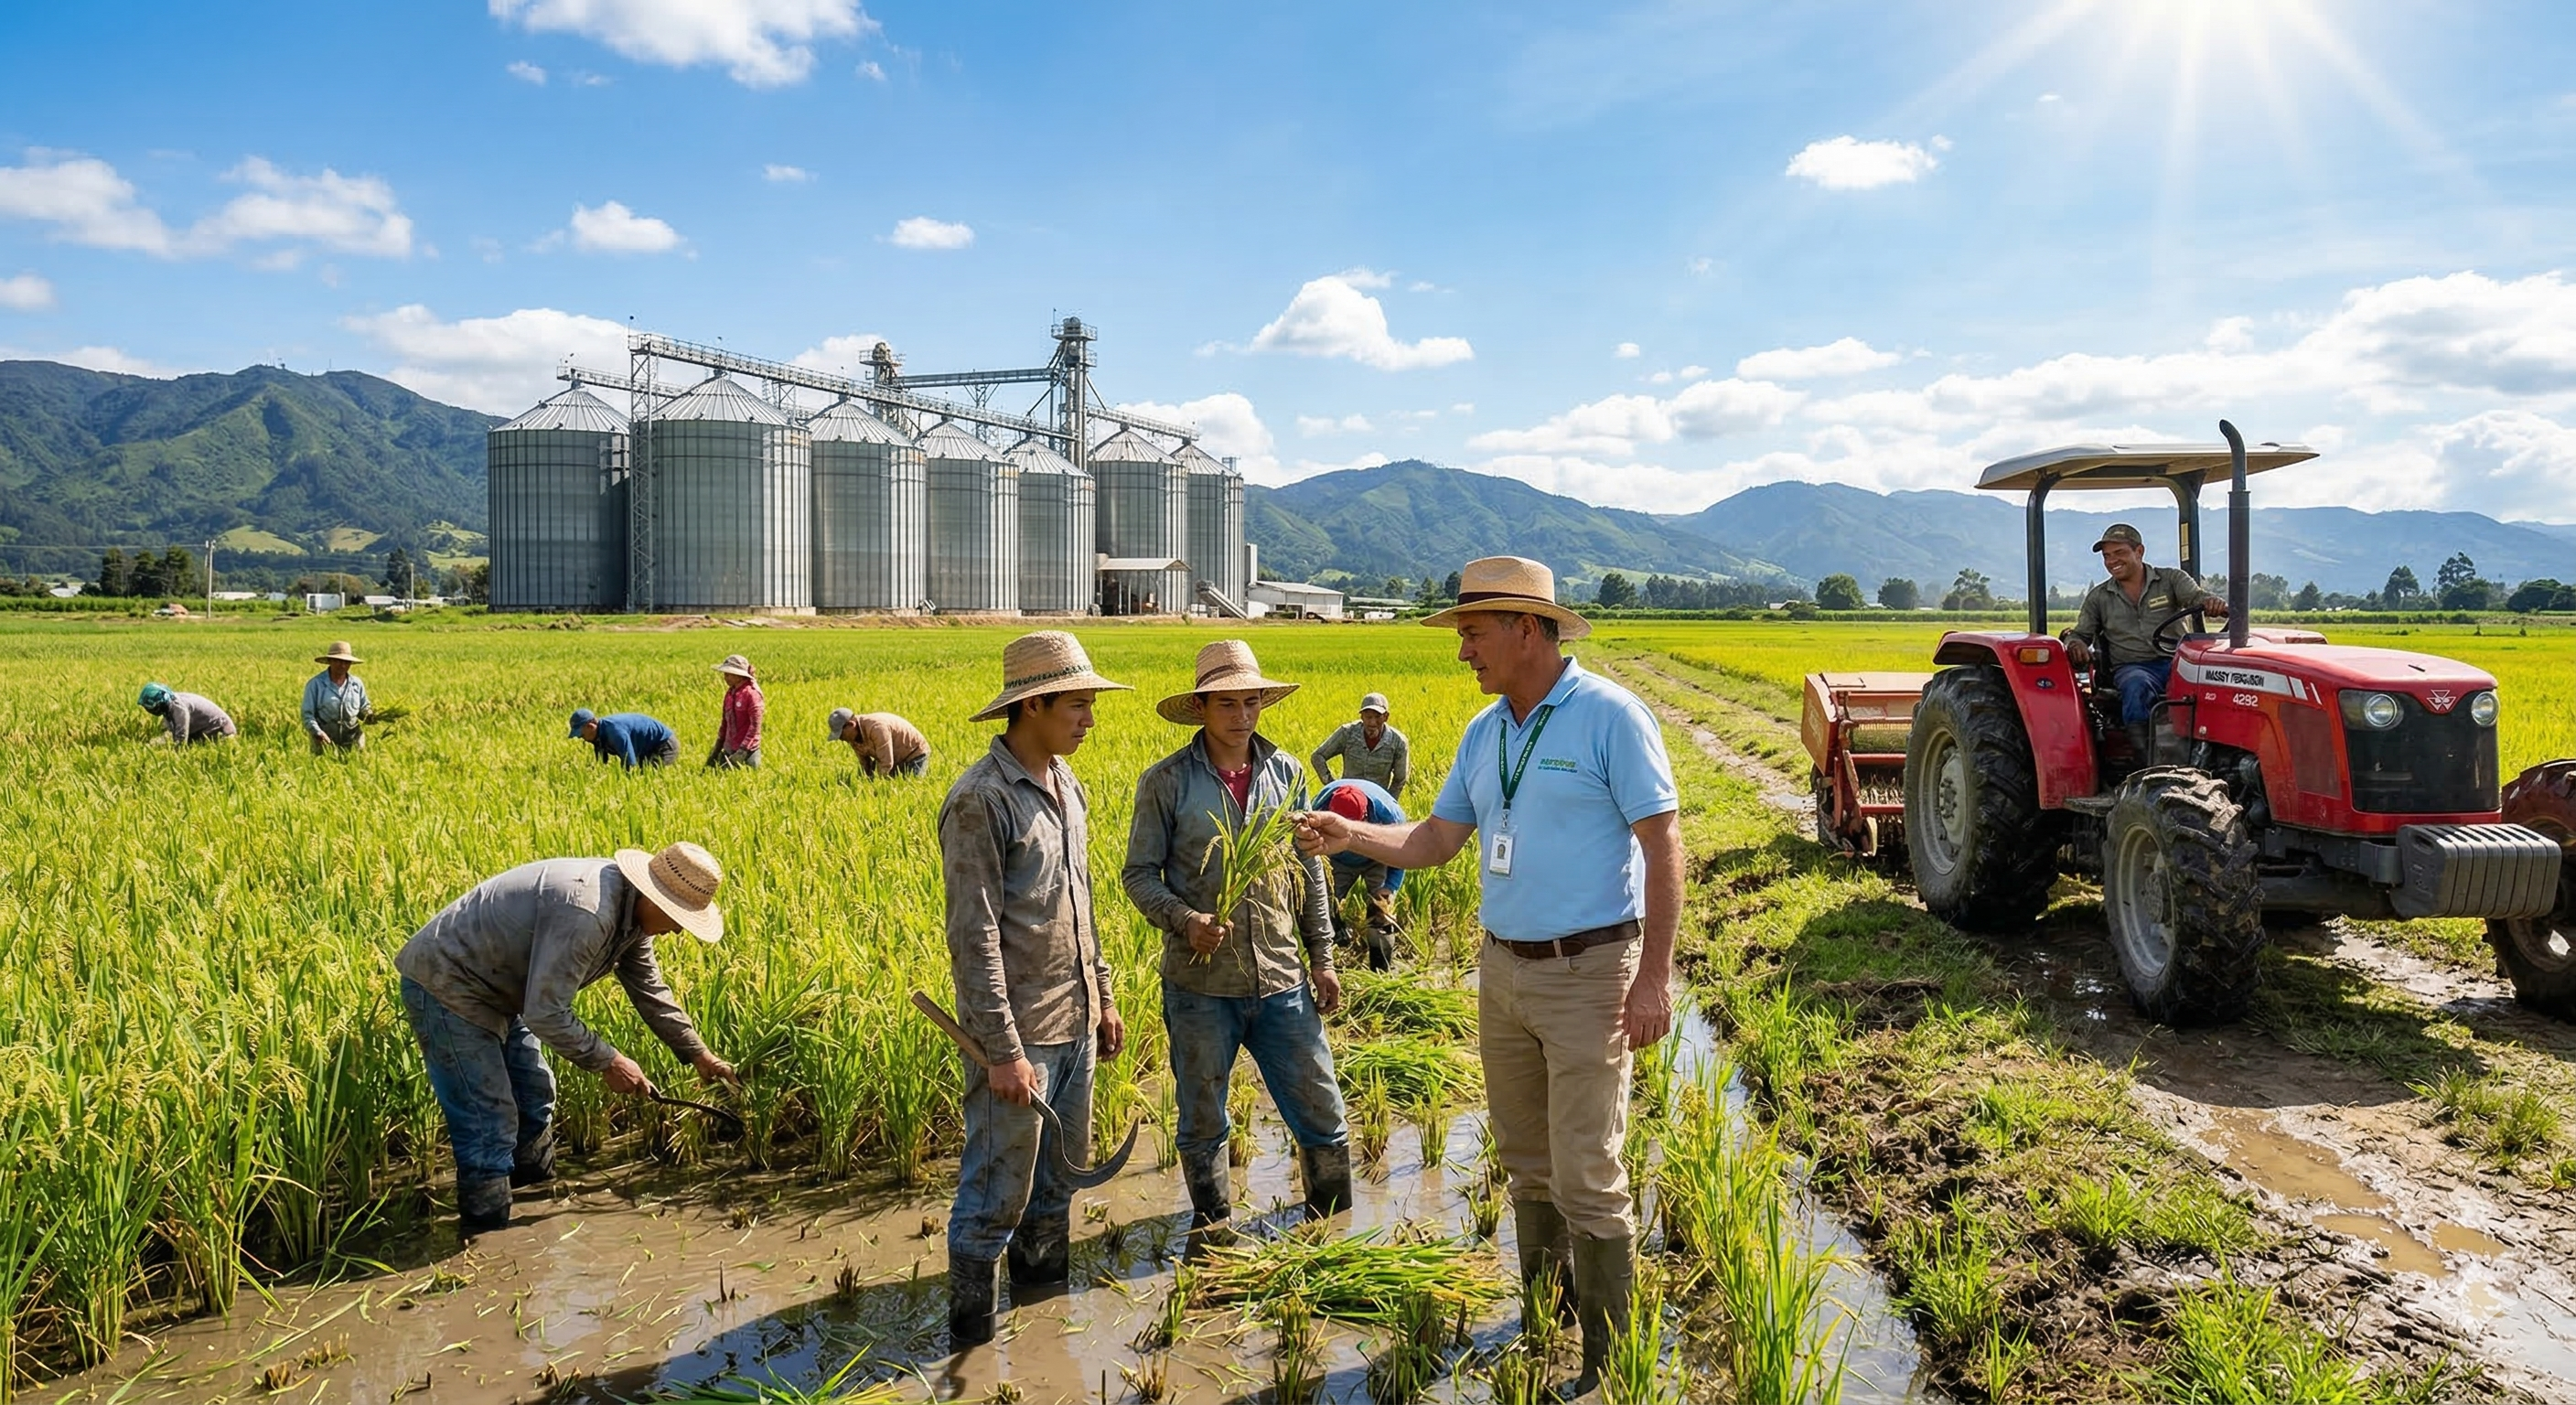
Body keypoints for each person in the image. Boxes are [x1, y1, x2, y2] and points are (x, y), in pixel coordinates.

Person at [1294, 556, 1680, 1395]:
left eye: (1473, 633)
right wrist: (1347, 835)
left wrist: (1654, 978)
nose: (1462, 650)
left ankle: (1606, 1367)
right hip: (1501, 973)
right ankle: (1548, 1314)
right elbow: (1434, 841)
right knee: (1526, 1158)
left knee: (1588, 1168)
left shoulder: (1611, 716)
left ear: (1527, 630)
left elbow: (1662, 847)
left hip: (1590, 972)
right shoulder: (1486, 732)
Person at [1123, 639, 1351, 1247]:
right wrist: (1184, 918)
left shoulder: (1287, 774)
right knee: (1202, 1120)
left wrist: (1323, 958)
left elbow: (1309, 873)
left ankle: (1332, 1232)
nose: (1242, 715)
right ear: (1202, 707)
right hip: (1200, 985)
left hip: (1281, 978)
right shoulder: (1166, 783)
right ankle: (1214, 1233)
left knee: (1322, 1112)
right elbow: (1139, 875)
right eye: (1227, 703)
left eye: (1251, 702)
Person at [939, 632, 1131, 1346]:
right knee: (995, 1197)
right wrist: (1003, 1051)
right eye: (1077, 705)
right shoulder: (980, 801)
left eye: (1089, 705)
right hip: (1020, 1041)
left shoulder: (1066, 784)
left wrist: (1104, 997)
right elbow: (975, 936)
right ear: (1033, 705)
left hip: (1075, 1022)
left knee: (1056, 1190)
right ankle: (971, 1341)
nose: (1089, 719)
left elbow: (1078, 906)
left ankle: (1045, 1327)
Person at [392, 842, 740, 1232]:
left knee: (534, 1094)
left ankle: (534, 1207)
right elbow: (547, 1013)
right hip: (449, 984)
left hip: (507, 992)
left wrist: (698, 1053)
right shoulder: (588, 911)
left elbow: (649, 989)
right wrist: (609, 1060)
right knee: (488, 1117)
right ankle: (487, 1237)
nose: (677, 930)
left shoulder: (632, 919)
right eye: (678, 918)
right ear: (652, 896)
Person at [2062, 522, 2229, 756]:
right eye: (2107, 556)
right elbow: (2080, 634)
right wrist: (2075, 643)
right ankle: (2150, 761)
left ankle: (2217, 754)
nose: (2112, 561)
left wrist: (2214, 603)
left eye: (2119, 553)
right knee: (2137, 684)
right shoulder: (2099, 597)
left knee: (2222, 683)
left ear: (2139, 551)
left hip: (2178, 663)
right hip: (2133, 667)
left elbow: (2196, 597)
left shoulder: (2171, 579)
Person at [1316, 777, 1405, 971]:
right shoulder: (1319, 808)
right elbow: (1305, 850)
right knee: (1321, 907)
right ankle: (1326, 967)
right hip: (1338, 861)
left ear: (1365, 815)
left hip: (1376, 855)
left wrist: (1389, 888)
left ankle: (1380, 972)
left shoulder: (1389, 814)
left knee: (1381, 913)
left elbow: (1401, 854)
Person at [1310, 692, 1411, 799]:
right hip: (1347, 797)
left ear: (1386, 717)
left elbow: (1400, 779)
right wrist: (1333, 786)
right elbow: (1317, 756)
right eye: (1368, 717)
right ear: (1361, 716)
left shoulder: (1398, 742)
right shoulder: (1347, 733)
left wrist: (1389, 801)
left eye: (1378, 717)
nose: (1372, 722)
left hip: (1377, 799)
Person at [302, 640, 370, 752]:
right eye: (338, 661)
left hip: (353, 740)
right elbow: (307, 715)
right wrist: (317, 732)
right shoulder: (316, 684)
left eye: (346, 662)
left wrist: (370, 715)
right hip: (324, 740)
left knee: (355, 766)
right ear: (330, 661)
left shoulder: (356, 684)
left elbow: (364, 707)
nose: (343, 665)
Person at [829, 707, 932, 778]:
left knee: (912, 785)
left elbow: (886, 762)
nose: (841, 739)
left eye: (841, 734)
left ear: (851, 724)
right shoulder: (853, 737)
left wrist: (878, 785)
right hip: (895, 757)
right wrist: (867, 781)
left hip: (914, 753)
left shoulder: (876, 728)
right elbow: (865, 764)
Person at [569, 708, 680, 769]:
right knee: (643, 773)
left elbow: (630, 764)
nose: (581, 738)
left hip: (664, 744)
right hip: (645, 749)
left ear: (590, 726)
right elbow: (601, 763)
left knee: (651, 776)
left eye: (582, 735)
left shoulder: (615, 732)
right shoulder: (598, 735)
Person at [707, 654, 763, 769]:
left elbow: (755, 726)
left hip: (748, 751)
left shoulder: (752, 694)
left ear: (738, 676)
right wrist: (717, 748)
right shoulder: (729, 694)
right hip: (729, 748)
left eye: (728, 674)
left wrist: (742, 751)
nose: (725, 677)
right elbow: (725, 723)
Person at [138, 681, 236, 745]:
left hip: (221, 731)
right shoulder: (171, 702)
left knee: (191, 745)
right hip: (206, 729)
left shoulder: (179, 708)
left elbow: (181, 737)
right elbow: (169, 729)